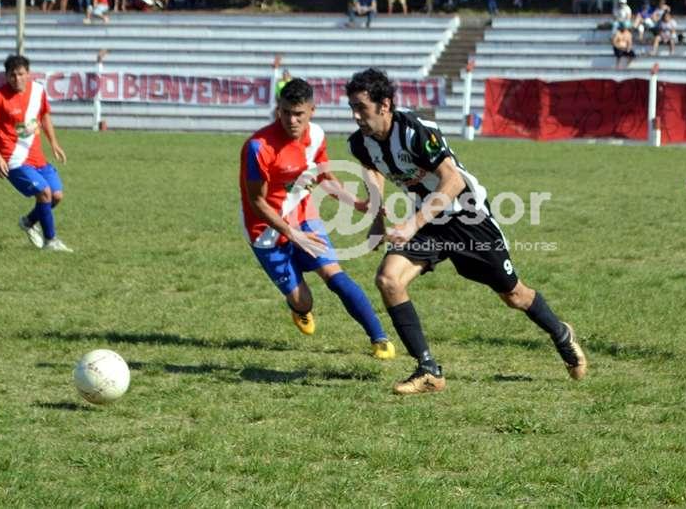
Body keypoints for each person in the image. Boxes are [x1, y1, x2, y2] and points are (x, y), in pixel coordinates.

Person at [345, 68, 587, 395]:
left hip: (467, 217)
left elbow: (453, 180)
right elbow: (372, 169)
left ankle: (560, 333)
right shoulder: (361, 143)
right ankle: (428, 370)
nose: (356, 115)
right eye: (352, 107)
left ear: (384, 105)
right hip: (430, 220)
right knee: (389, 280)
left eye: (362, 107)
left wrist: (412, 224)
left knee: (514, 295)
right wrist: (376, 218)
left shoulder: (416, 131)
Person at [239, 78, 396, 360]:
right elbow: (257, 202)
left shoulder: (316, 136)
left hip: (303, 215)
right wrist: (293, 234)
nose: (292, 120)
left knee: (334, 276)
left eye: (299, 113)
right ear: (278, 109)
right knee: (304, 301)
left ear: (312, 110)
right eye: (285, 112)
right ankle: (299, 309)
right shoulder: (258, 147)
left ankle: (379, 337)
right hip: (264, 229)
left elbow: (324, 176)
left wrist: (359, 204)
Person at [0, 54, 72, 252]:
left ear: (28, 74)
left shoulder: (38, 91)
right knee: (44, 193)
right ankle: (50, 241)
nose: (17, 79)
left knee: (56, 195)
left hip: (37, 157)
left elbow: (44, 116)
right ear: (6, 76)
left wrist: (54, 143)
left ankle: (28, 222)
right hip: (13, 160)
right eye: (12, 75)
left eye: (21, 74)